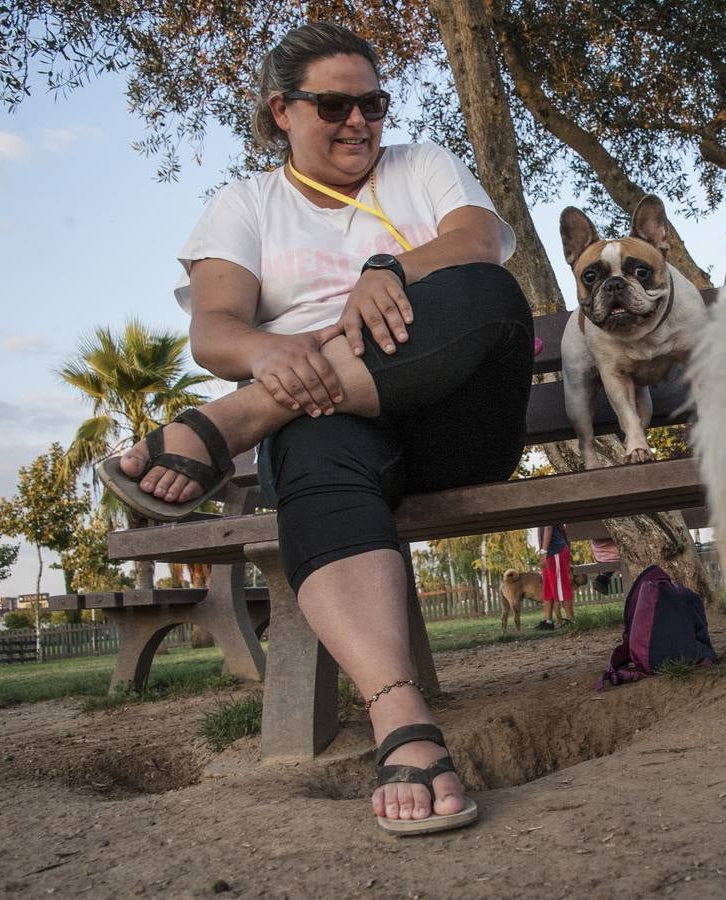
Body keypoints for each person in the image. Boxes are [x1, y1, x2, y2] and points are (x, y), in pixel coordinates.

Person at [97, 23, 534, 834]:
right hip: (334, 431)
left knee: (488, 292)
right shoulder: (245, 205)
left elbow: (477, 243)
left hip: (454, 427)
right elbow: (217, 330)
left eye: (373, 102)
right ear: (281, 111)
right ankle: (403, 725)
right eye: (334, 104)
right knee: (312, 445)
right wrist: (278, 353)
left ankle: (238, 420)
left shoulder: (421, 166)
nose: (359, 121)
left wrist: (388, 271)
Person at [537, 524, 572, 628]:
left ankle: (571, 620)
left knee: (561, 587)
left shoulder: (544, 509)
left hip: (556, 552)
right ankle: (548, 622)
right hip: (549, 553)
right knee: (548, 588)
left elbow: (548, 527)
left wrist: (543, 552)